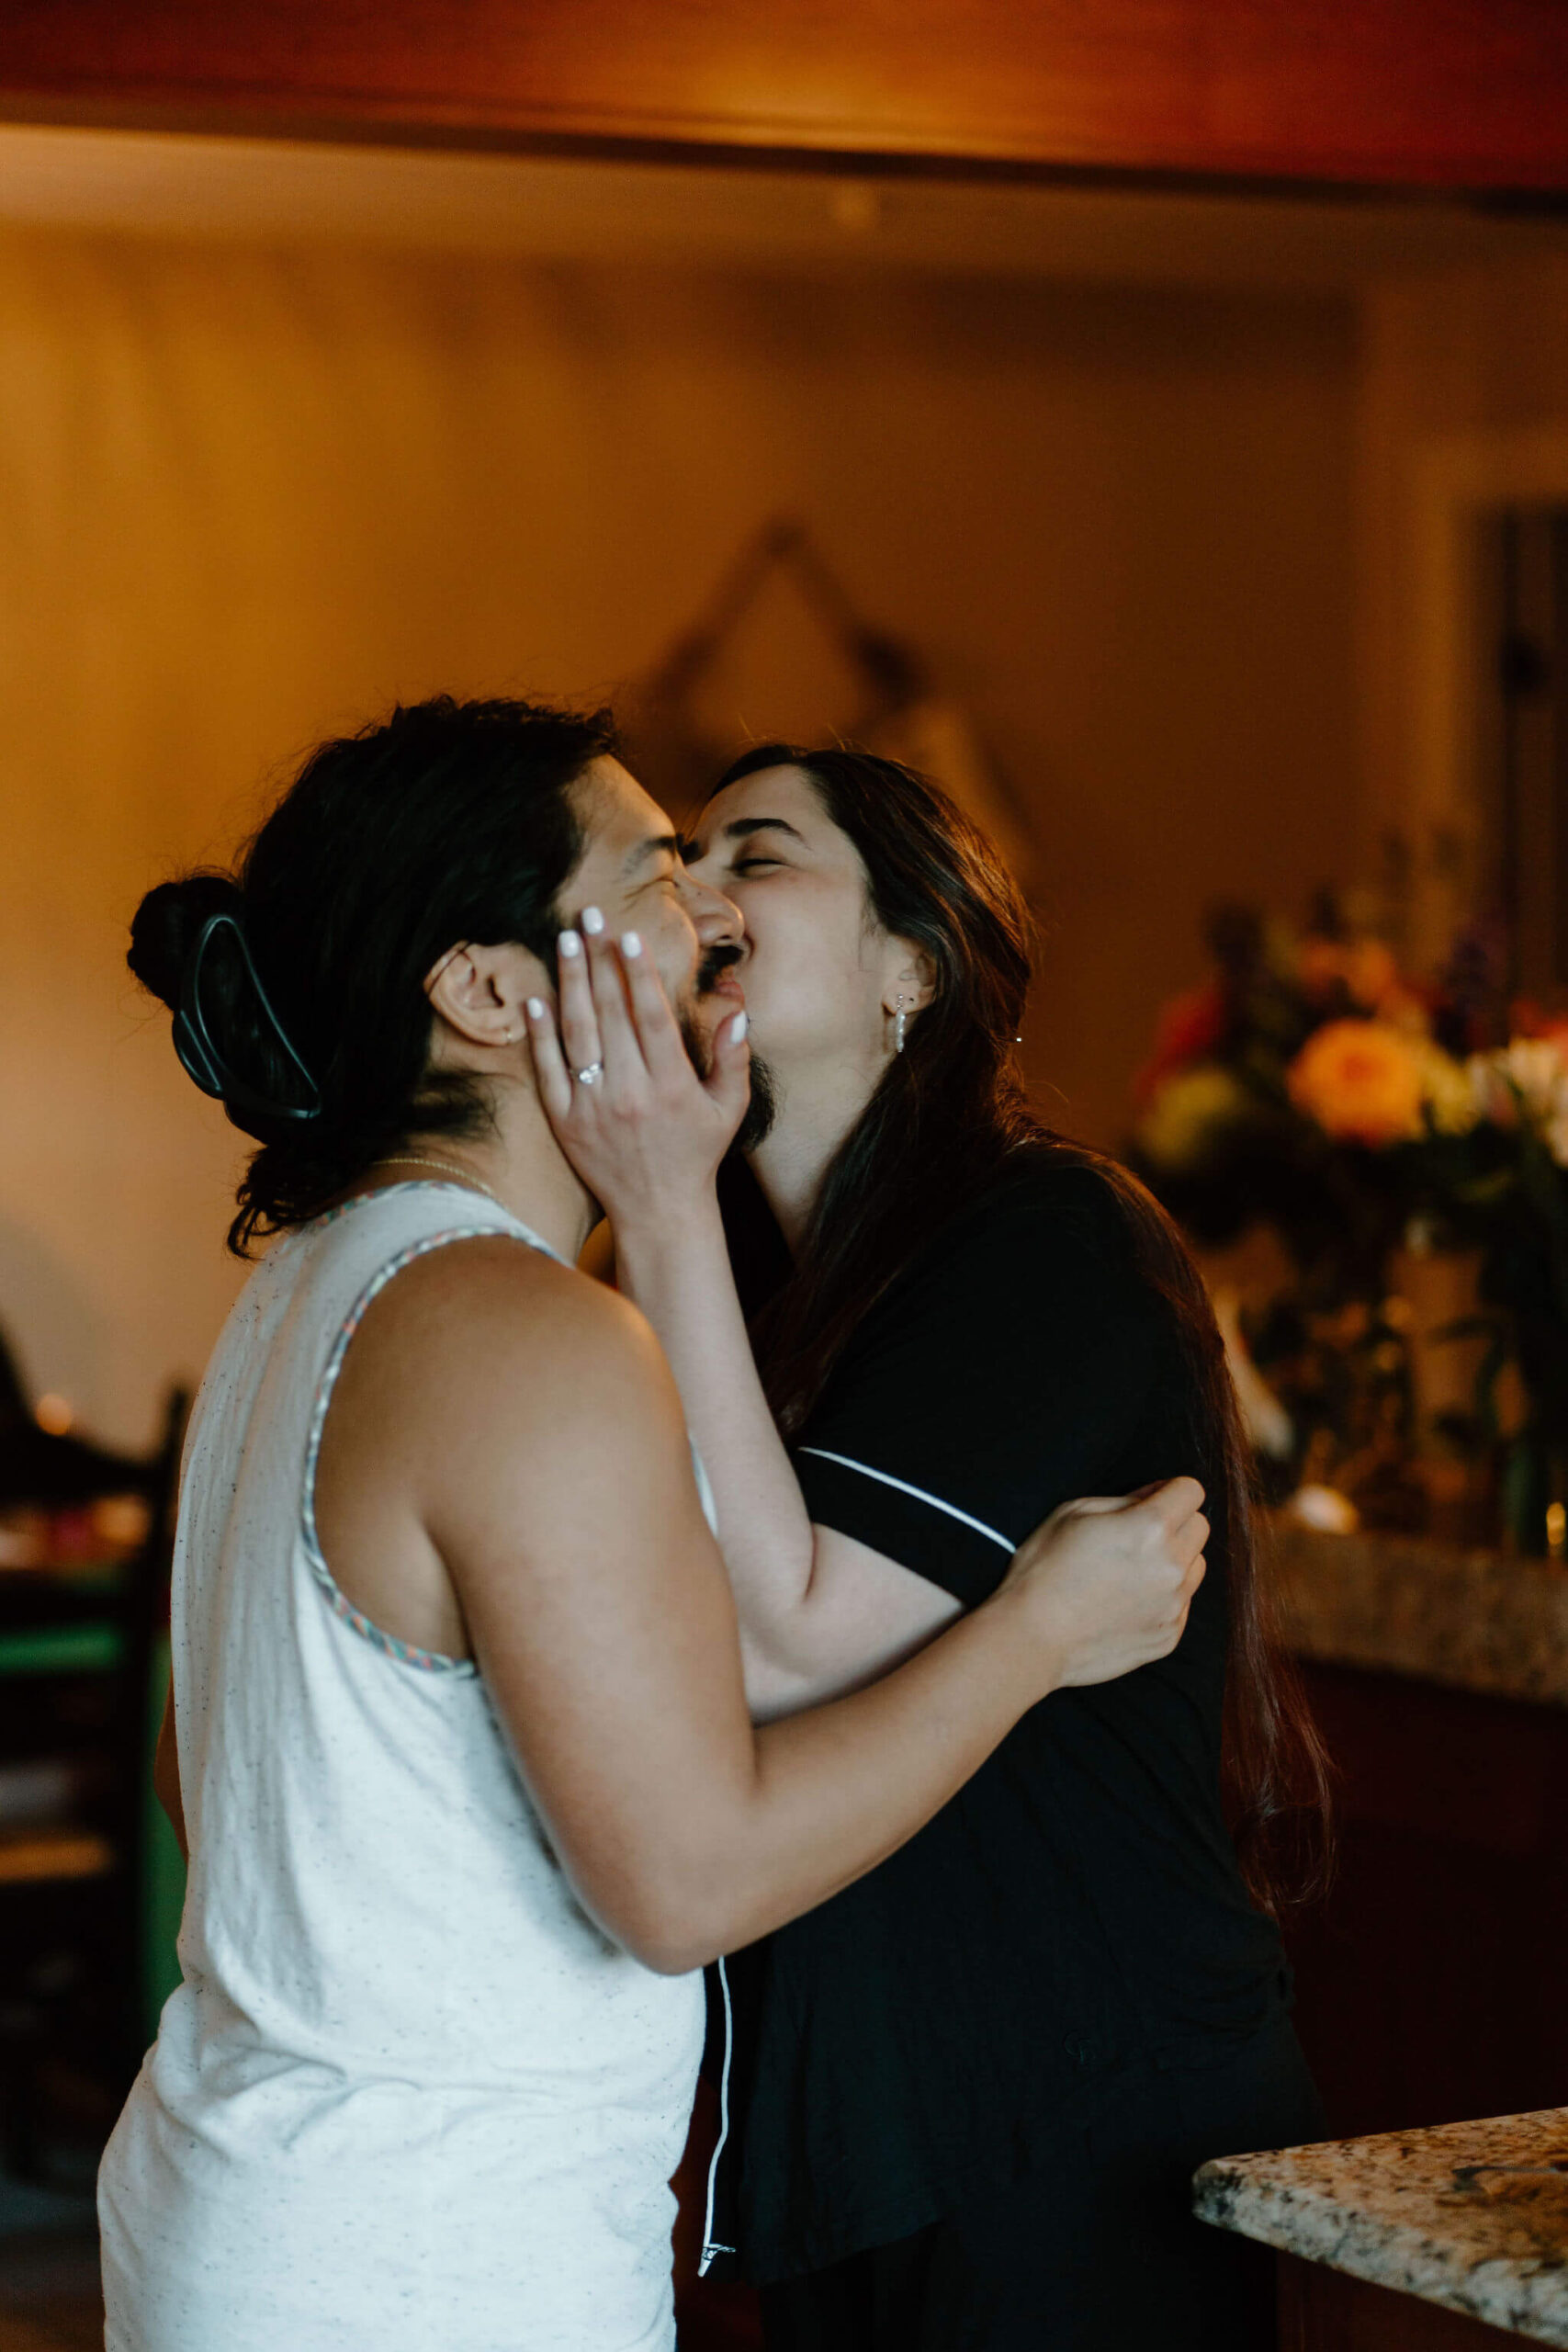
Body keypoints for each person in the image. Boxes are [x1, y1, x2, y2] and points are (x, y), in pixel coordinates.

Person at [97, 697, 1208, 2352]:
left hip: (235, 2210)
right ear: (486, 992)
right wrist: (1034, 1631)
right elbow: (684, 1883)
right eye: (658, 869)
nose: (708, 918)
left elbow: (209, 1769)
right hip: (427, 2261)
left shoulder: (304, 1292)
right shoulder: (532, 1331)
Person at [525, 741, 1332, 2352]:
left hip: (1066, 2116)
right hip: (872, 2122)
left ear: (913, 963)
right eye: (686, 861)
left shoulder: (1048, 1243)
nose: (699, 891)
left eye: (761, 853)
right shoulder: (727, 1288)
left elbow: (772, 1646)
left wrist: (666, 1206)